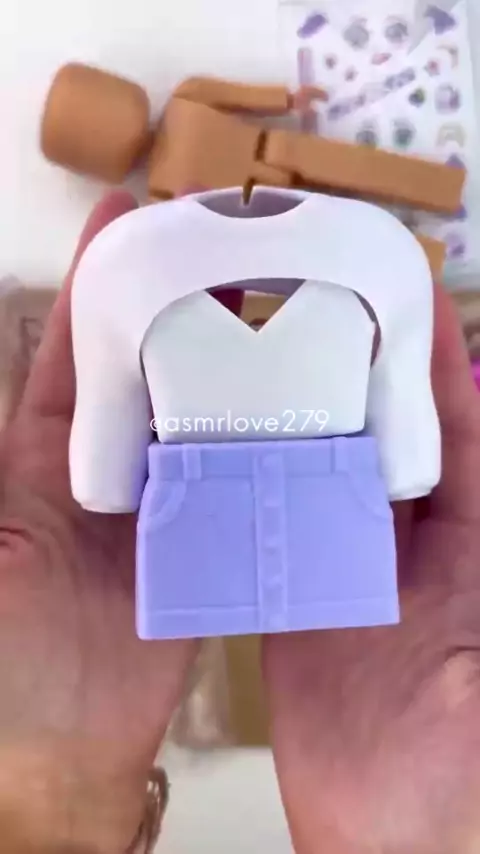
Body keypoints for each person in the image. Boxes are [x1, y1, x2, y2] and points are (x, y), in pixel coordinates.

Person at [0, 190, 479, 853]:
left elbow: (102, 469)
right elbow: (411, 454)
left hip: (277, 503)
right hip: (291, 503)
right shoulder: (376, 251)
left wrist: (46, 795)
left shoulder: (130, 261)